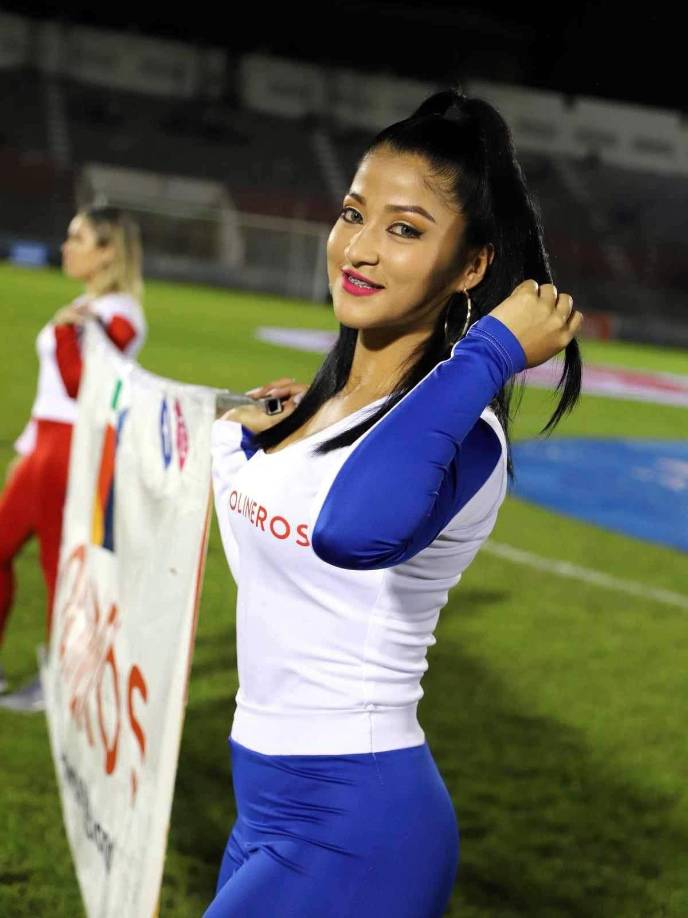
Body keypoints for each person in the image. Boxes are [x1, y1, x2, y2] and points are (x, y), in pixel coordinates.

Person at [206, 90, 582, 917]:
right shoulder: (313, 408)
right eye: (352, 214)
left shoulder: (464, 437)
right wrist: (242, 432)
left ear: (472, 266)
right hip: (263, 803)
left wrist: (491, 351)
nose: (360, 249)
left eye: (405, 230)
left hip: (359, 825)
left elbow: (352, 530)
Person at [0, 206, 146, 712]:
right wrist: (27, 447)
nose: (65, 247)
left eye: (77, 238)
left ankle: (61, 685)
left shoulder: (120, 313)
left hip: (69, 451)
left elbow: (81, 386)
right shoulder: (90, 305)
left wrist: (66, 332)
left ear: (107, 252)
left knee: (58, 572)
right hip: (43, 447)